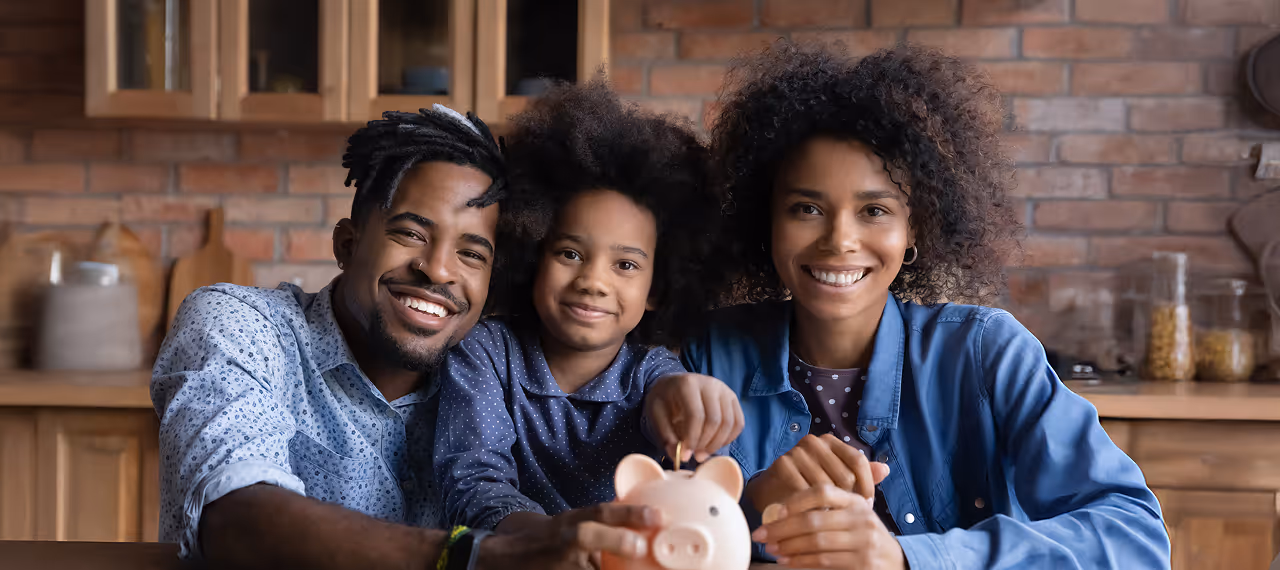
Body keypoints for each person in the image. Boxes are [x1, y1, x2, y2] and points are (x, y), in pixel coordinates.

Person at [681, 41, 1170, 569]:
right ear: (766, 224)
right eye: (806, 208)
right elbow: (638, 529)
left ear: (915, 228)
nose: (839, 240)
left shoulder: (987, 354)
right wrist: (745, 508)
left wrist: (907, 557)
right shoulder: (701, 356)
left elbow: (1134, 536)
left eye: (873, 210)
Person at [152, 105, 663, 570]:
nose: (437, 269)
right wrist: (477, 557)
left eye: (472, 254)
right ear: (348, 245)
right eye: (411, 234)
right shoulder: (239, 327)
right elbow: (234, 520)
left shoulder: (492, 380)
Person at [434, 79, 743, 536]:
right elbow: (472, 487)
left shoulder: (653, 373)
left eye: (625, 264)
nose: (593, 282)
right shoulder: (484, 353)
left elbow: (683, 438)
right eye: (570, 254)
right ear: (532, 254)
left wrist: (690, 407)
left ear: (657, 289)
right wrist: (557, 541)